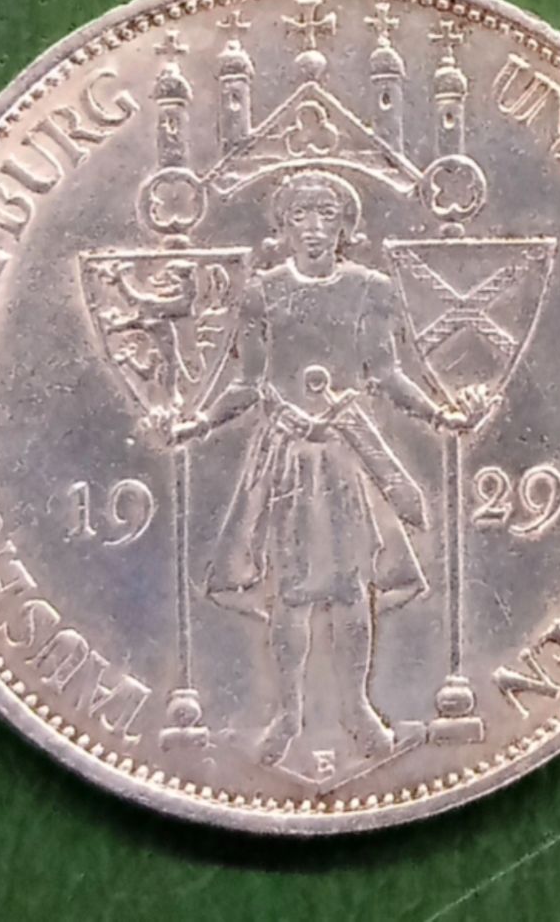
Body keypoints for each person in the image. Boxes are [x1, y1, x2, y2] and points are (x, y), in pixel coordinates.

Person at [172, 169, 468, 767]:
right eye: (300, 216)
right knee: (292, 592)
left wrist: (439, 413)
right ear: (283, 225)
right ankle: (289, 713)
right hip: (284, 458)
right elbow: (248, 382)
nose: (313, 228)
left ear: (344, 226)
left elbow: (387, 374)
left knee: (353, 588)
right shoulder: (263, 292)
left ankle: (357, 708)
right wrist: (199, 422)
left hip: (345, 454)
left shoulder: (370, 289)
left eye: (326, 215)